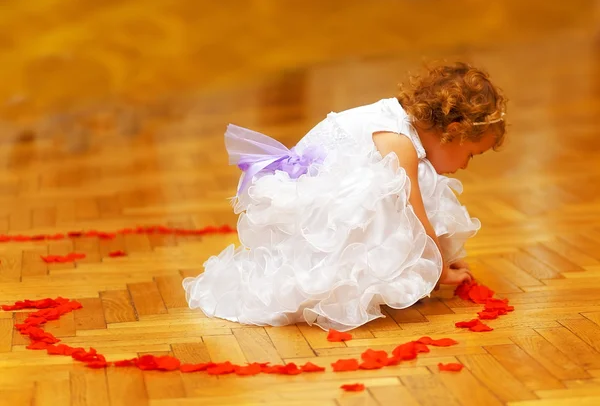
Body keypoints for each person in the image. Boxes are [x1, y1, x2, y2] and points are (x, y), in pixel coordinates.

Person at [183, 62, 507, 332]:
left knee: (411, 185)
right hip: (313, 214)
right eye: (470, 154)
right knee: (405, 189)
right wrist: (439, 270)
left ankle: (396, 275)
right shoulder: (399, 144)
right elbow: (418, 219)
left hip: (317, 203)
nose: (465, 165)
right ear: (453, 131)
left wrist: (441, 257)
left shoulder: (397, 119)